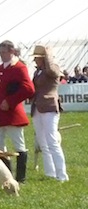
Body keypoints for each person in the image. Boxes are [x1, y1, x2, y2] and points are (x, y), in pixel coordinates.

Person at [0, 40, 35, 183]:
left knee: (19, 145)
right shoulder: (0, 68)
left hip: (12, 113)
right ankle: (5, 176)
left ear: (12, 51)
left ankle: (20, 178)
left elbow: (29, 88)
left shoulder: (19, 67)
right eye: (0, 52)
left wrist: (11, 101)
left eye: (4, 52)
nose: (1, 55)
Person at [31, 45, 68, 182]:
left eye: (37, 57)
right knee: (42, 142)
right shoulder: (37, 72)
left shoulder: (53, 68)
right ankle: (50, 172)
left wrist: (49, 55)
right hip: (37, 107)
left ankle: (62, 175)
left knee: (52, 141)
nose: (34, 60)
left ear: (43, 58)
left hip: (49, 107)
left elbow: (53, 71)